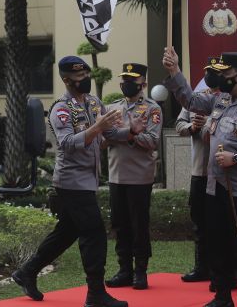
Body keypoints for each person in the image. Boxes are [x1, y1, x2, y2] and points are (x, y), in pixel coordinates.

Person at [12, 55, 145, 307]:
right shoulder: (60, 109)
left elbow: (109, 133)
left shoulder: (94, 102)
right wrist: (96, 127)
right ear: (66, 80)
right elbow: (67, 144)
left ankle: (26, 272)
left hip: (87, 179)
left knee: (67, 232)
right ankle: (95, 294)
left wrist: (131, 130)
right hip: (71, 182)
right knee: (94, 233)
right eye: (79, 78)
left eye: (86, 76)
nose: (85, 81)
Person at [162, 47, 237, 307]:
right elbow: (191, 102)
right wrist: (175, 72)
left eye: (224, 72)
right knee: (218, 241)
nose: (219, 77)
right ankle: (223, 295)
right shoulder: (220, 100)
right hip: (215, 187)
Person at [103, 63, 162, 290]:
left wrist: (127, 135)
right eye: (124, 80)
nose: (127, 84)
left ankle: (140, 271)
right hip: (117, 174)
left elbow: (151, 141)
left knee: (139, 224)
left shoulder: (151, 109)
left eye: (132, 81)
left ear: (143, 84)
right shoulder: (112, 108)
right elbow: (104, 137)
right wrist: (130, 131)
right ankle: (124, 269)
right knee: (120, 224)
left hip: (139, 176)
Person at [177, 58, 221, 283]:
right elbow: (179, 125)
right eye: (207, 71)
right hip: (198, 171)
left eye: (213, 71)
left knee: (219, 223)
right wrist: (191, 127)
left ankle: (220, 269)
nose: (209, 75)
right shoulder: (197, 97)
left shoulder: (226, 98)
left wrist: (203, 125)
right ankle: (200, 266)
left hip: (220, 173)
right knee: (199, 222)